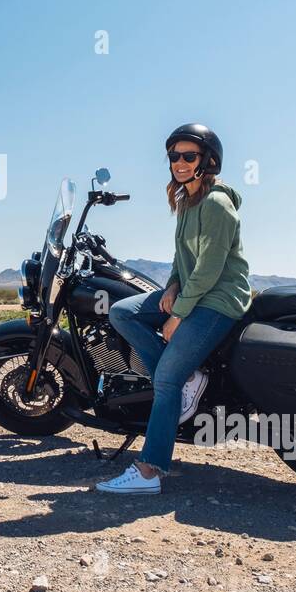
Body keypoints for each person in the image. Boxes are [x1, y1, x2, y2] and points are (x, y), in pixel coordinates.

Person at [96, 124, 252, 495]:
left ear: (207, 161)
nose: (179, 163)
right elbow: (183, 258)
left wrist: (177, 314)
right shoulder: (187, 200)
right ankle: (185, 378)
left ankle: (149, 472)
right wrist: (172, 286)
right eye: (174, 156)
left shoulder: (216, 203)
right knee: (122, 312)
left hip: (219, 300)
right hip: (193, 293)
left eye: (188, 156)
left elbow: (211, 267)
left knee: (165, 380)